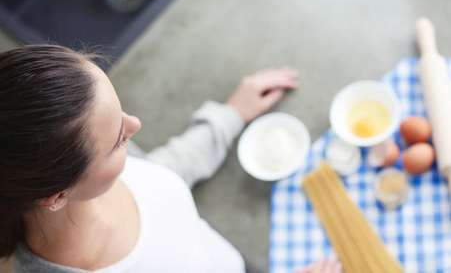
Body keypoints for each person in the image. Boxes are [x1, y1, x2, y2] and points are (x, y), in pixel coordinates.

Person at [0, 44, 340, 272]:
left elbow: (158, 174)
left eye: (122, 113)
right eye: (119, 140)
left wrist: (230, 115)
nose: (136, 125)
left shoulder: (92, 173)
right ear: (57, 197)